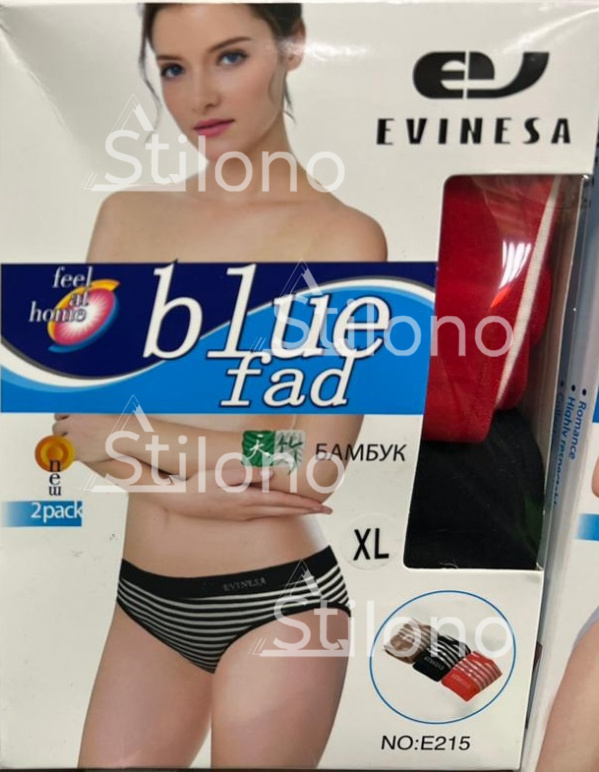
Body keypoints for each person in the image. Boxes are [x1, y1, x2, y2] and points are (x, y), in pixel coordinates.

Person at [52, 3, 387, 768]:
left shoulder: (343, 240)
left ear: (292, 48)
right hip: (142, 601)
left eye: (230, 57)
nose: (199, 95)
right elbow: (70, 427)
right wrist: (182, 490)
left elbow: (310, 466)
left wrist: (128, 436)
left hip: (280, 603)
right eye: (173, 68)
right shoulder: (124, 220)